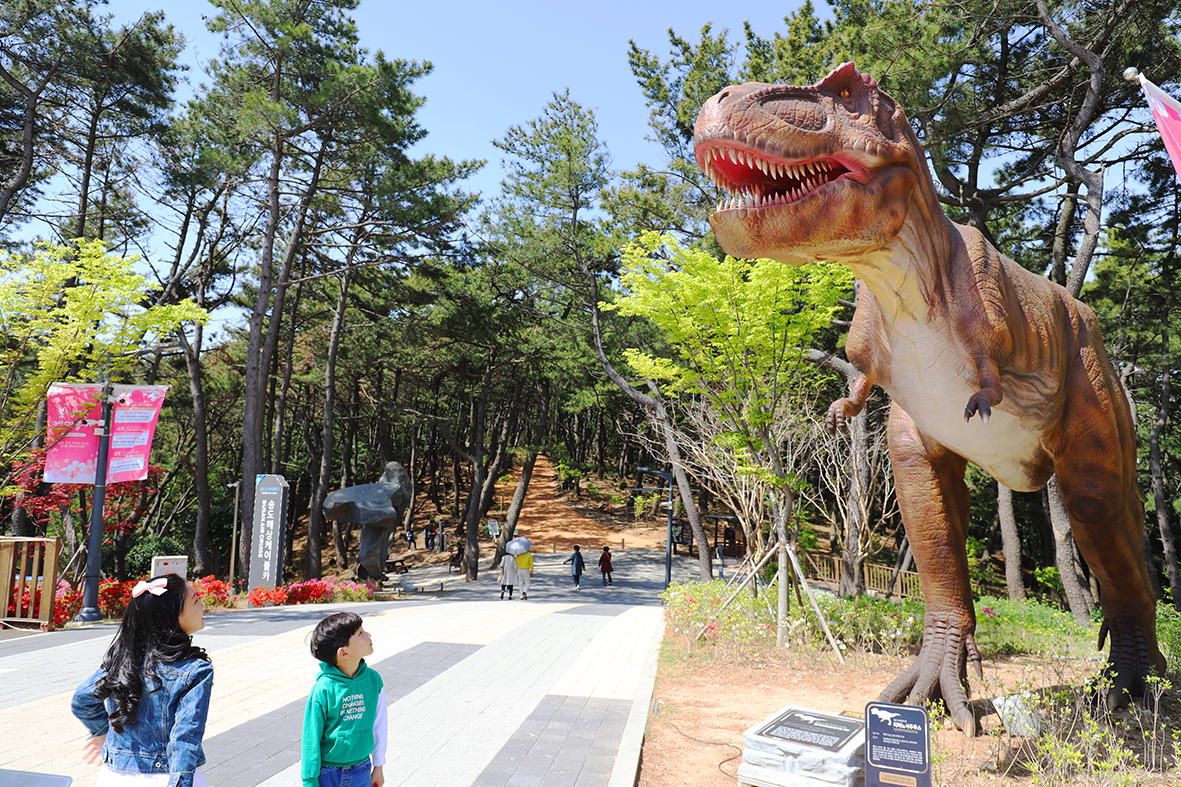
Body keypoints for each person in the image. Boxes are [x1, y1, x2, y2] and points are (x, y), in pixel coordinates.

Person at [71, 574, 212, 787]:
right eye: (195, 600)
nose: (203, 605)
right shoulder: (195, 669)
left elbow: (82, 699)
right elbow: (185, 740)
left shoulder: (122, 659)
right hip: (166, 777)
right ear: (173, 615)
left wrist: (102, 732)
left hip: (114, 777)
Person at [302, 611, 387, 787]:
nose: (368, 634)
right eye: (360, 634)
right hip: (327, 774)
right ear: (344, 653)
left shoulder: (373, 680)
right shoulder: (323, 689)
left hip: (362, 769)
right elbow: (311, 739)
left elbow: (380, 724)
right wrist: (310, 781)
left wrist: (378, 766)